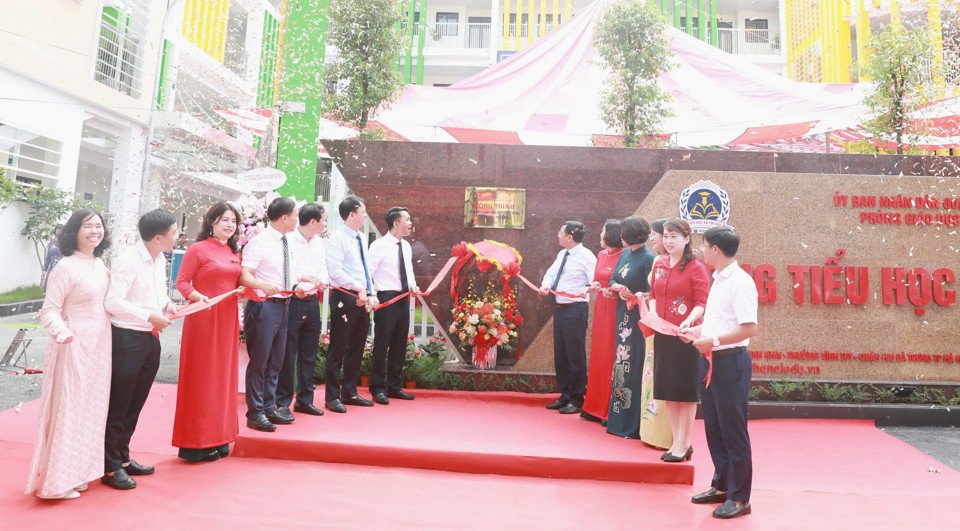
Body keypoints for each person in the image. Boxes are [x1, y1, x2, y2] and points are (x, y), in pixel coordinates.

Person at [25, 210, 111, 500]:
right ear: (74, 231)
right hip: (72, 343)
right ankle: (56, 482)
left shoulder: (100, 265)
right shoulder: (65, 266)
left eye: (99, 226)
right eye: (88, 226)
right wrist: (61, 333)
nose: (94, 231)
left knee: (92, 409)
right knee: (69, 409)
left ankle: (78, 472)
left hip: (100, 345)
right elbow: (49, 309)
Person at [102, 209, 178, 490]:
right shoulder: (129, 260)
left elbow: (156, 292)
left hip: (150, 338)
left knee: (135, 402)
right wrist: (148, 315)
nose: (177, 236)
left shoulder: (159, 259)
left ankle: (123, 458)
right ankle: (110, 467)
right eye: (173, 232)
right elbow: (113, 302)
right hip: (127, 339)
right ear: (158, 237)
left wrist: (167, 304)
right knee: (119, 404)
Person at [686, 227, 758, 519]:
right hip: (710, 360)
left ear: (715, 248)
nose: (701, 251)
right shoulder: (717, 279)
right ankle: (722, 485)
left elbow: (748, 327)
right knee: (714, 426)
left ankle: (740, 497)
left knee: (733, 429)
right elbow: (718, 323)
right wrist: (696, 331)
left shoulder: (740, 282)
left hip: (730, 362)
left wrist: (713, 340)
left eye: (703, 246)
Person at [172, 202, 243, 462]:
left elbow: (236, 282)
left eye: (233, 221)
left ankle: (220, 437)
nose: (229, 225)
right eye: (224, 220)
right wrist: (198, 297)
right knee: (202, 378)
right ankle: (196, 443)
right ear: (211, 221)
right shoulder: (197, 249)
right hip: (203, 319)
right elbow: (180, 282)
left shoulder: (233, 251)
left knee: (223, 379)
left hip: (227, 320)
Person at [648, 218, 710, 463]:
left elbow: (702, 303)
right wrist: (652, 313)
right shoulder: (660, 264)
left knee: (685, 393)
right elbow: (653, 294)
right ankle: (676, 441)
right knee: (668, 392)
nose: (669, 240)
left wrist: (688, 321)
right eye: (666, 235)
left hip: (685, 338)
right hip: (663, 334)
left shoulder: (696, 267)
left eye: (675, 236)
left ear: (686, 239)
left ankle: (685, 443)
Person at [238, 197, 300, 432]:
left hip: (284, 304)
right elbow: (245, 275)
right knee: (260, 361)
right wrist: (263, 285)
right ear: (284, 217)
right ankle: (254, 412)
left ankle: (268, 406)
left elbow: (288, 272)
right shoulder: (260, 241)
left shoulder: (288, 241)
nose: (297, 219)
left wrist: (300, 283)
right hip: (263, 306)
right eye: (295, 215)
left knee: (276, 361)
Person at [324, 195, 378, 413]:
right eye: (362, 212)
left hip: (362, 295)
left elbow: (365, 269)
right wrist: (358, 288)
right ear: (352, 214)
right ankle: (331, 396)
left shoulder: (360, 238)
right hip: (344, 294)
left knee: (357, 345)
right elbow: (335, 271)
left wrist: (370, 291)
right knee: (339, 346)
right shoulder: (337, 239)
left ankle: (350, 391)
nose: (365, 215)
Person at [276, 203, 329, 418]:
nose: (325, 224)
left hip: (312, 300)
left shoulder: (319, 243)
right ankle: (282, 402)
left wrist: (322, 282)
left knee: (309, 352)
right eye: (324, 220)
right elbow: (286, 269)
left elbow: (323, 268)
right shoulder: (288, 240)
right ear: (314, 221)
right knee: (288, 353)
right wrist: (301, 281)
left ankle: (305, 400)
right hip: (293, 300)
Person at [539, 221, 597, 415]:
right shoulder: (562, 254)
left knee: (575, 356)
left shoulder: (587, 256)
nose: (558, 235)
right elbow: (551, 273)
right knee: (561, 355)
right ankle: (564, 395)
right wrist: (545, 285)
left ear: (570, 237)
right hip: (560, 308)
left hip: (575, 309)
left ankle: (576, 398)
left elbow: (595, 280)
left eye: (560, 232)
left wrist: (587, 289)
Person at [605, 216, 655, 437]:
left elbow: (651, 292)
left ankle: (632, 423)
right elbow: (613, 279)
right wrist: (617, 288)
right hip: (622, 315)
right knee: (620, 362)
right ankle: (617, 419)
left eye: (623, 232)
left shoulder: (649, 259)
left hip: (637, 319)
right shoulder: (625, 254)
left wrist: (634, 295)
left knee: (633, 363)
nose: (620, 236)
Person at [368, 207, 420, 404]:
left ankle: (395, 386)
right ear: (396, 223)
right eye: (407, 219)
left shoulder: (405, 246)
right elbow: (369, 272)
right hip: (386, 299)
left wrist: (413, 285)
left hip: (403, 298)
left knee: (399, 344)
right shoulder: (379, 245)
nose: (410, 223)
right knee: (382, 344)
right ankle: (377, 388)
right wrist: (372, 295)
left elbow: (409, 271)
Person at [579, 219, 623, 422]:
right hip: (601, 306)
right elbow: (599, 278)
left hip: (615, 307)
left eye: (603, 231)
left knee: (610, 354)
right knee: (598, 354)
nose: (600, 235)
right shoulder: (601, 254)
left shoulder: (624, 255)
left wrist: (609, 290)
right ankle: (593, 405)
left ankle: (608, 407)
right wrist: (593, 286)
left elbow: (622, 283)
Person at [639, 219, 672, 449]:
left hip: (667, 324)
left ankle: (665, 435)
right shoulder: (657, 261)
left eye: (656, 234)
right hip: (654, 323)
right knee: (650, 373)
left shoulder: (671, 263)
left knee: (662, 375)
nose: (653, 239)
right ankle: (649, 430)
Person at [41, 224, 64, 292]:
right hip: (52, 268)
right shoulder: (52, 242)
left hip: (62, 268)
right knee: (50, 288)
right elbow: (48, 256)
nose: (58, 231)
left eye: (60, 229)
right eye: (57, 229)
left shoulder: (67, 243)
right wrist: (44, 270)